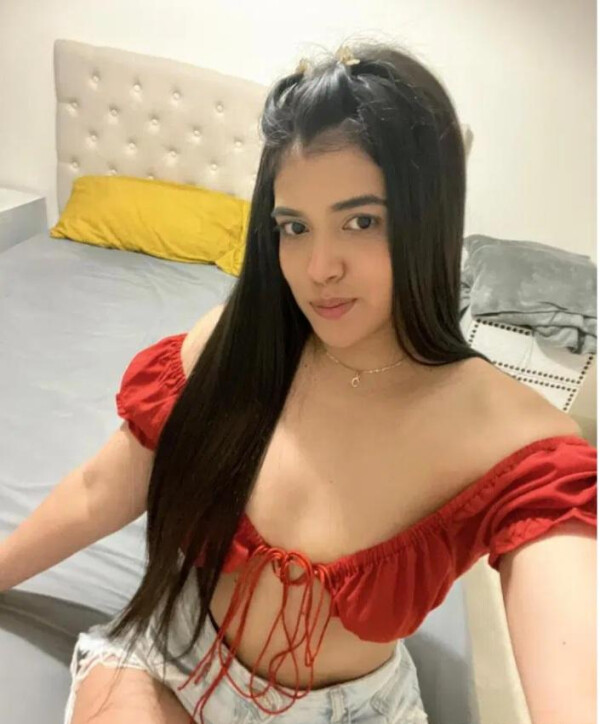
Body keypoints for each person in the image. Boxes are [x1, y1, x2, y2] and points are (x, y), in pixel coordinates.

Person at [6, 38, 596, 724]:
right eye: (294, 227)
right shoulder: (236, 347)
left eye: (362, 221)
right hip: (173, 661)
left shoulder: (512, 441)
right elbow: (96, 490)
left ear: (429, 220)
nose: (318, 269)